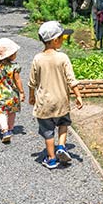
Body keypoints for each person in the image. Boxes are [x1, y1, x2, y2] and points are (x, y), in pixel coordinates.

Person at [28, 21, 83, 169]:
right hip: (61, 101)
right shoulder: (63, 57)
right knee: (63, 124)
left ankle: (51, 159)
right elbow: (71, 79)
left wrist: (31, 96)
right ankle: (62, 146)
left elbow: (32, 82)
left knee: (48, 132)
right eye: (62, 37)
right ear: (55, 40)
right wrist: (78, 96)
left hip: (44, 103)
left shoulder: (37, 58)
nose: (63, 40)